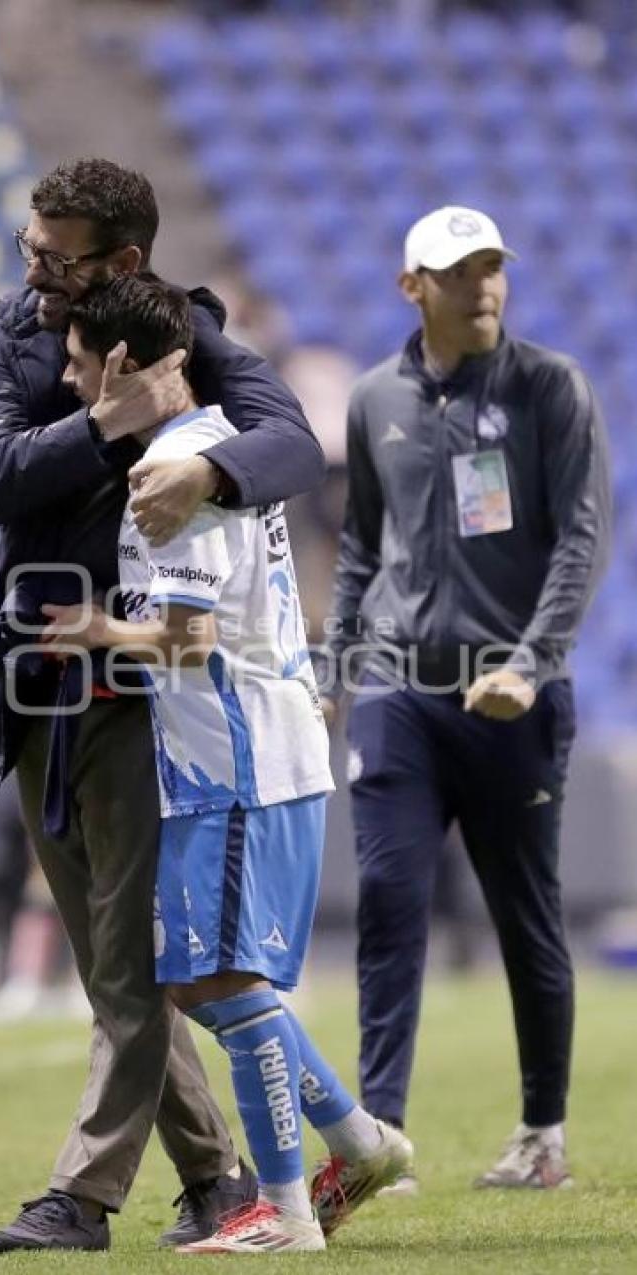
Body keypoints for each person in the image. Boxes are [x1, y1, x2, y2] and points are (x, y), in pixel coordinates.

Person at [0, 159, 326, 1253]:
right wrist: (103, 425)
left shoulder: (196, 337)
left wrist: (206, 474)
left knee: (127, 965)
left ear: (121, 260)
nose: (30, 273)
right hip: (31, 679)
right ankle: (222, 1178)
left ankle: (82, 1195)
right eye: (27, 246)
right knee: (115, 964)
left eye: (51, 256)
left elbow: (294, 442)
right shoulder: (10, 333)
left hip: (135, 692)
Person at [40, 272, 413, 1253]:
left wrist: (93, 631)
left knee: (224, 982)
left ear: (122, 361)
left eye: (80, 365)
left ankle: (288, 1213)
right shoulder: (215, 451)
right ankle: (357, 1140)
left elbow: (189, 640)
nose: (75, 384)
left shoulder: (177, 470)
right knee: (204, 982)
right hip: (236, 753)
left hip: (239, 761)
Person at [322, 206, 611, 1191]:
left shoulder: (549, 388)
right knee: (389, 903)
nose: (481, 286)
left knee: (525, 918)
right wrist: (335, 669)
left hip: (514, 703)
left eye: (490, 268)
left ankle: (540, 1135)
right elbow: (362, 545)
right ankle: (381, 1141)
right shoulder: (372, 401)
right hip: (400, 693)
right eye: (457, 272)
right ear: (413, 287)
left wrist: (529, 665)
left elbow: (580, 540)